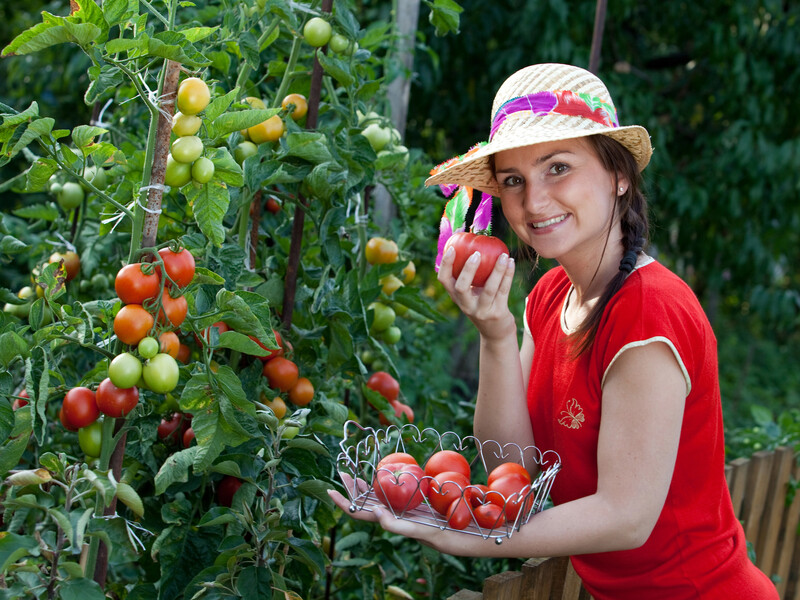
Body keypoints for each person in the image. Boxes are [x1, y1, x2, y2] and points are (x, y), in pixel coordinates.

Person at [329, 63, 778, 599]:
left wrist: (467, 536)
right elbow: (512, 467)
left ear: (619, 175)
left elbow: (626, 517)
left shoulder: (648, 312)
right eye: (513, 180)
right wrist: (495, 336)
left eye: (558, 168)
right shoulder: (549, 296)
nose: (533, 201)